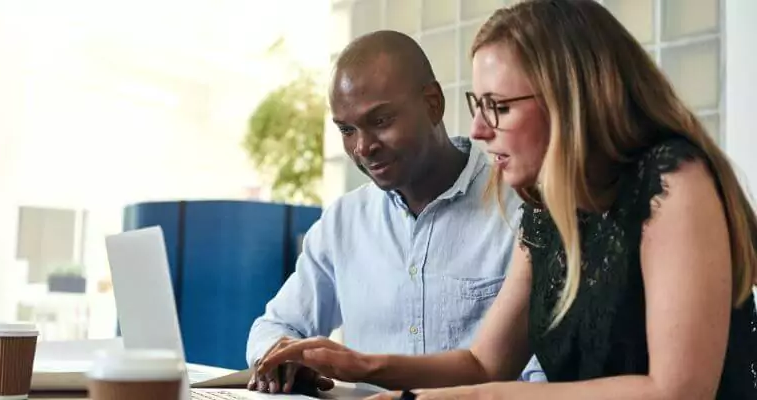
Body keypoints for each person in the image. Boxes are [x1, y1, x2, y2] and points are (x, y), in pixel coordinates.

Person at [255, 1, 757, 399]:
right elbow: (483, 363)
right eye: (478, 105)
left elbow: (678, 391)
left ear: (568, 96)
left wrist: (472, 398)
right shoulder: (546, 211)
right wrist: (361, 365)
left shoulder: (673, 180)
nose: (477, 128)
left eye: (498, 106)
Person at [245, 30, 545, 393]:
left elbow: (536, 379)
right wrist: (286, 360)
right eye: (347, 129)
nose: (363, 147)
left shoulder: (522, 212)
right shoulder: (344, 222)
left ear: (433, 104)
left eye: (381, 121)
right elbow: (274, 327)